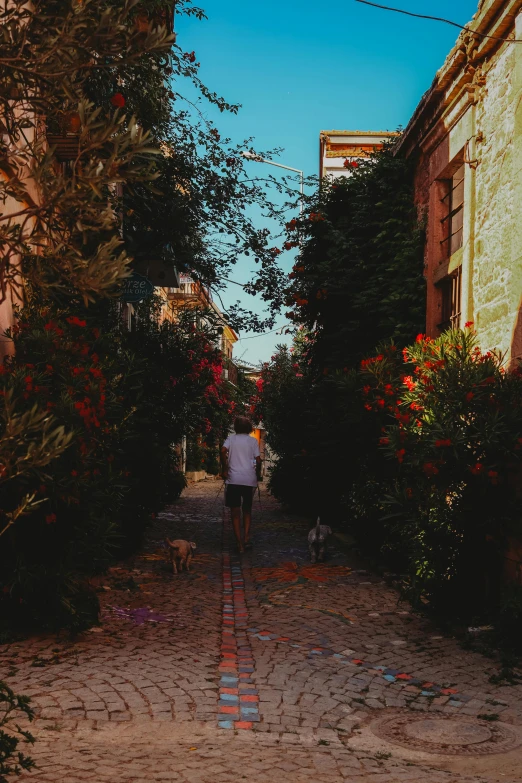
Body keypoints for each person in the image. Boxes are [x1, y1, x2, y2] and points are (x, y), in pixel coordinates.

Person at [221, 416, 262, 552]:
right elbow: (258, 459)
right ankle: (246, 538)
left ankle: (239, 544)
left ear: (236, 427)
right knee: (247, 510)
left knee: (235, 512)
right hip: (249, 480)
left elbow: (223, 451)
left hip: (233, 479)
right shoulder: (253, 441)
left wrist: (225, 469)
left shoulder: (231, 439)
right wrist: (257, 474)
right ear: (249, 427)